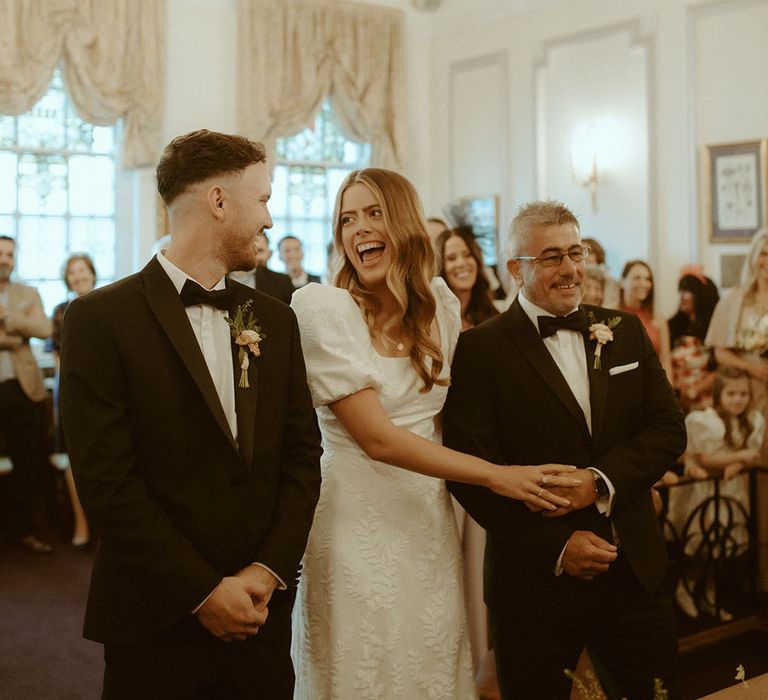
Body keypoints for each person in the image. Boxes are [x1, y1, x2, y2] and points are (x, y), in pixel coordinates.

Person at [290, 171, 580, 700]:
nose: (359, 230)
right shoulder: (322, 310)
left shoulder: (441, 310)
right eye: (347, 219)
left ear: (404, 222)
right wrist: (499, 477)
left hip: (427, 520)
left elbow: (464, 420)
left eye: (374, 213)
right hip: (354, 525)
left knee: (429, 660)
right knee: (364, 669)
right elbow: (378, 439)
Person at [59, 129, 322, 699]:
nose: (270, 221)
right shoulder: (98, 320)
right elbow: (107, 484)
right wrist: (202, 592)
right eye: (264, 200)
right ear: (220, 201)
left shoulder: (275, 319)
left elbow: (303, 458)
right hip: (155, 623)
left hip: (261, 618)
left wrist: (265, 572)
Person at [443, 200, 686, 699]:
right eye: (551, 257)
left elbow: (667, 429)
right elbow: (470, 473)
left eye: (576, 253)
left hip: (633, 570)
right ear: (516, 269)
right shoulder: (481, 350)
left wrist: (599, 482)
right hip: (534, 585)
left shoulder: (623, 331)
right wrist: (555, 547)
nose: (571, 269)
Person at [668, 367, 763, 619]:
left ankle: (710, 594)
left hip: (732, 491)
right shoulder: (707, 421)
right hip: (708, 491)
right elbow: (704, 459)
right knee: (705, 543)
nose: (738, 399)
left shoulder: (752, 420)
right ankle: (685, 586)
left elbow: (754, 456)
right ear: (718, 395)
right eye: (731, 393)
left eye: (743, 393)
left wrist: (739, 464)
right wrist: (740, 457)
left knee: (722, 547)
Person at [705, 228, 768, 588]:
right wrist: (754, 369)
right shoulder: (735, 300)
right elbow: (719, 350)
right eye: (763, 254)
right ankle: (754, 576)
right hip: (747, 395)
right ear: (753, 257)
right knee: (751, 475)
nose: (767, 263)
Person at [0, 235, 53, 553]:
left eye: (10, 254)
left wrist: (6, 318)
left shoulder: (28, 293)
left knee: (26, 464)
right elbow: (25, 333)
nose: (4, 258)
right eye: (0, 253)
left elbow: (44, 330)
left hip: (23, 389)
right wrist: (14, 337)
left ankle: (23, 532)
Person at [47, 253, 97, 549]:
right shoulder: (60, 311)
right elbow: (59, 361)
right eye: (72, 273)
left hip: (106, 391)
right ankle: (81, 522)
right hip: (72, 391)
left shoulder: (111, 302)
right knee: (71, 460)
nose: (77, 276)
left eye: (82, 270)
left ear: (92, 273)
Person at [667, 268, 720, 414]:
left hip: (706, 404)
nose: (682, 297)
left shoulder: (715, 329)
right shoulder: (671, 326)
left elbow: (721, 368)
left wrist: (695, 389)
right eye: (681, 291)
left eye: (687, 292)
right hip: (677, 401)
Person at [620, 259, 673, 379]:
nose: (643, 284)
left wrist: (670, 394)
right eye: (637, 278)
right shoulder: (610, 314)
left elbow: (665, 361)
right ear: (622, 282)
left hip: (652, 385)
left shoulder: (658, 320)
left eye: (647, 279)